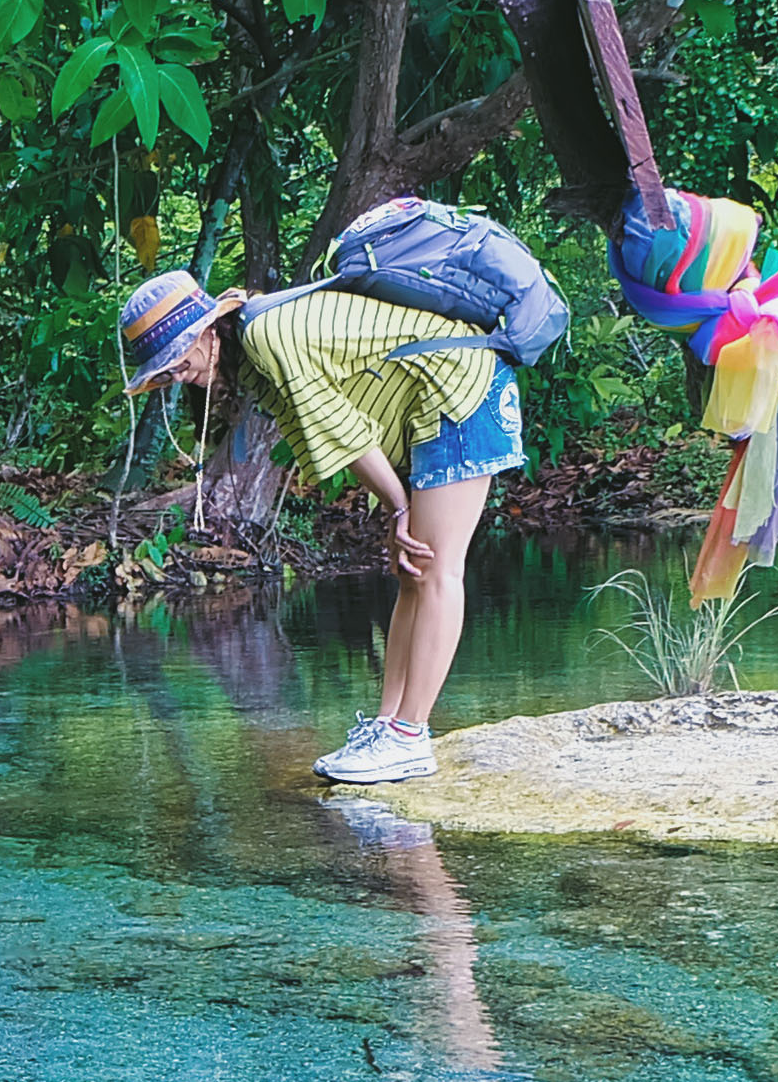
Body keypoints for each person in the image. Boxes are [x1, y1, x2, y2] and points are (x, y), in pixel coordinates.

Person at [118, 264, 524, 785]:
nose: (178, 376)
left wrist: (399, 507)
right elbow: (318, 431)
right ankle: (388, 726)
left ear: (205, 331)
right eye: (165, 373)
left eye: (177, 361)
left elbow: (339, 426)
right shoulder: (251, 362)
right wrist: (393, 506)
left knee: (437, 567)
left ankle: (410, 737)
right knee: (411, 573)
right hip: (428, 409)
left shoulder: (266, 336)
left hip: (463, 392)